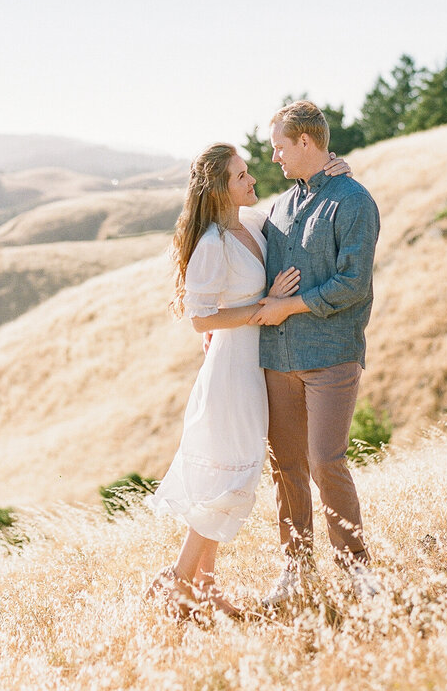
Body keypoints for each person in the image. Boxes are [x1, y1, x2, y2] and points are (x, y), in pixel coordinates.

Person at [145, 141, 349, 619]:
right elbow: (200, 320)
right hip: (231, 373)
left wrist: (331, 172)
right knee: (232, 477)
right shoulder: (212, 244)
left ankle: (206, 587)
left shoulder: (253, 225)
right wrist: (264, 307)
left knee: (234, 471)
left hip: (256, 367)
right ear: (220, 188)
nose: (252, 178)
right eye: (241, 176)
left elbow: (297, 209)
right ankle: (178, 580)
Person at [250, 100, 382, 607]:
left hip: (330, 355)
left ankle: (357, 572)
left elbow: (353, 284)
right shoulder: (281, 206)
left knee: (326, 461)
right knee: (285, 465)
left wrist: (289, 307)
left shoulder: (353, 201)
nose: (276, 157)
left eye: (281, 147)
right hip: (277, 359)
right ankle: (295, 567)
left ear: (306, 142)